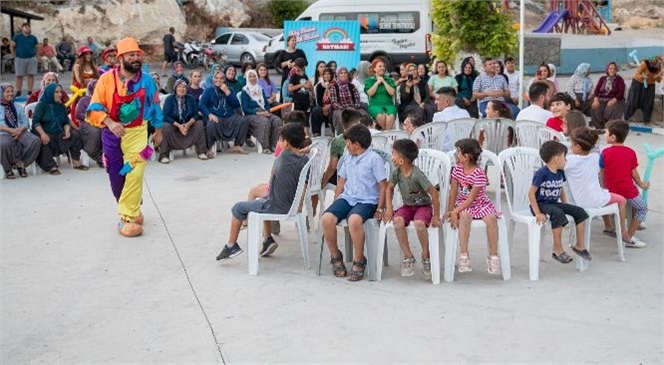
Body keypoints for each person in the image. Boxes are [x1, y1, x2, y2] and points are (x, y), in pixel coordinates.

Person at [86, 37, 164, 237]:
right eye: (132, 55)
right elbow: (93, 108)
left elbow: (155, 104)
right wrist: (110, 123)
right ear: (120, 58)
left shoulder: (146, 80)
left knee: (136, 172)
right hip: (112, 135)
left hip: (139, 132)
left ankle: (126, 218)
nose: (136, 58)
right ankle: (132, 208)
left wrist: (158, 129)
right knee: (117, 175)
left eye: (138, 54)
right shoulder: (106, 80)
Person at [216, 122, 309, 261]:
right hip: (292, 204)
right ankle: (268, 239)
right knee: (260, 200)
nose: (278, 142)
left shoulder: (281, 159)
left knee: (238, 208)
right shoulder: (304, 159)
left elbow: (271, 184)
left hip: (277, 206)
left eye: (280, 139)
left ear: (286, 143)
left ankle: (231, 245)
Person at [321, 124, 388, 282]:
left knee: (354, 220)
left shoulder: (374, 159)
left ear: (357, 145)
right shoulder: (348, 158)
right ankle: (336, 255)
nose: (347, 145)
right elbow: (341, 181)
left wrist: (380, 207)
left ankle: (359, 259)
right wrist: (336, 201)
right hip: (348, 197)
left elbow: (383, 185)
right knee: (327, 218)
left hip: (368, 200)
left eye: (348, 142)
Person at [384, 139, 440, 279]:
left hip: (423, 206)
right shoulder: (397, 173)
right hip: (408, 207)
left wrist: (436, 215)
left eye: (394, 154)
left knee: (420, 224)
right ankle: (408, 256)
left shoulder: (417, 174)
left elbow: (433, 192)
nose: (392, 157)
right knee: (397, 221)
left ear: (402, 160)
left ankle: (426, 255)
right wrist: (389, 208)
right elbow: (389, 187)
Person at [565, 127, 632, 244]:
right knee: (621, 200)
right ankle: (623, 231)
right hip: (594, 199)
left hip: (579, 201)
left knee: (604, 193)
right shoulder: (595, 157)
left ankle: (612, 227)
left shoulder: (569, 160)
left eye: (572, 144)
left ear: (577, 147)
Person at [528, 140, 591, 264]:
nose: (566, 160)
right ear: (557, 159)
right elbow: (531, 193)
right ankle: (557, 250)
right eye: (564, 157)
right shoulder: (542, 173)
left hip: (552, 204)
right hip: (540, 204)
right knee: (557, 213)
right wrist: (537, 213)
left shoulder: (560, 173)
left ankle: (580, 245)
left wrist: (565, 204)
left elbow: (560, 188)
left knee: (580, 212)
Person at [446, 138, 502, 274]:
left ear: (466, 157)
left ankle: (493, 255)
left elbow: (472, 199)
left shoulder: (479, 174)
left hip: (480, 203)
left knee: (492, 219)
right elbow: (453, 191)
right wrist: (451, 210)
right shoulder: (457, 170)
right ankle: (464, 255)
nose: (456, 156)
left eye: (458, 153)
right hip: (462, 203)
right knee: (464, 216)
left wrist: (455, 211)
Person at [599, 120, 649, 247]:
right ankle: (629, 236)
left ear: (613, 137)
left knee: (618, 207)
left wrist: (603, 187)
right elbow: (634, 174)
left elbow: (602, 173)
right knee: (642, 208)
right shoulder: (630, 152)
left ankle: (617, 225)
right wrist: (642, 184)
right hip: (628, 191)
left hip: (611, 192)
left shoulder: (605, 153)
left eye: (606, 132)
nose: (604, 134)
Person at [32, 83, 88, 175]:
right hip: (45, 132)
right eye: (56, 92)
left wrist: (67, 131)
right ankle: (51, 166)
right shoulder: (41, 105)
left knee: (75, 136)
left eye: (60, 92)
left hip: (59, 133)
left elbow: (66, 121)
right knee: (44, 141)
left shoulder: (61, 106)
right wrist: (42, 134)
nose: (59, 94)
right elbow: (36, 122)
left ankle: (75, 161)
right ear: (50, 93)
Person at [198, 70, 250, 156]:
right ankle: (209, 148)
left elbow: (236, 104)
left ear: (224, 80)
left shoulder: (229, 90)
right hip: (216, 118)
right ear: (213, 80)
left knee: (243, 120)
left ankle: (237, 145)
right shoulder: (209, 90)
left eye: (221, 78)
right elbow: (201, 105)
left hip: (229, 117)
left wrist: (227, 92)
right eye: (217, 78)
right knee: (210, 124)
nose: (219, 80)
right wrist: (209, 114)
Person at [159, 79, 208, 163]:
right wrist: (179, 126)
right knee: (165, 126)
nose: (182, 89)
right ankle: (164, 155)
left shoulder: (190, 98)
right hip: (174, 127)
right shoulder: (170, 99)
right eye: (180, 87)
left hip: (187, 127)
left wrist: (188, 124)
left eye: (184, 87)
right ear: (175, 88)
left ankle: (201, 152)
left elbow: (196, 115)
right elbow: (165, 116)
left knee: (199, 124)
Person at [0, 83, 41, 179]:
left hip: (19, 130)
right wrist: (9, 130)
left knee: (35, 141)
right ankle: (7, 168)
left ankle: (21, 164)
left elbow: (25, 121)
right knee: (4, 144)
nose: (10, 94)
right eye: (7, 92)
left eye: (11, 91)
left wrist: (20, 130)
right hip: (3, 132)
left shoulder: (17, 106)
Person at [241, 70, 282, 154]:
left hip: (263, 112)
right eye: (250, 76)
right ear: (247, 78)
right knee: (265, 122)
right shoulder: (245, 91)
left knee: (277, 120)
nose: (252, 78)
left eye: (254, 76)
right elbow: (245, 109)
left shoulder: (260, 89)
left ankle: (273, 145)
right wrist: (259, 113)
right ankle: (265, 146)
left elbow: (266, 104)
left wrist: (266, 111)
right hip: (251, 114)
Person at [321, 109, 363, 189]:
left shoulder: (337, 141)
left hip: (343, 178)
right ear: (356, 124)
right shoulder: (364, 138)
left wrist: (322, 184)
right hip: (362, 177)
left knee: (321, 177)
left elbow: (332, 167)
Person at [74, 79, 104, 167]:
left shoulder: (105, 99)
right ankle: (99, 157)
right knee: (95, 132)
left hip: (102, 122)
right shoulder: (84, 100)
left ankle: (108, 156)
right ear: (91, 89)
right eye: (96, 87)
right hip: (87, 124)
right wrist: (92, 118)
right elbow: (79, 114)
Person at [624, 56, 662, 125]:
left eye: (657, 64)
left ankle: (647, 121)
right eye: (654, 64)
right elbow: (637, 74)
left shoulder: (659, 67)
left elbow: (659, 80)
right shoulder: (644, 63)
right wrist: (643, 76)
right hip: (638, 83)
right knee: (633, 101)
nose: (656, 65)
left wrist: (658, 77)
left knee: (648, 103)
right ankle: (625, 119)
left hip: (650, 85)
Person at [432, 87, 471, 152]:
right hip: (464, 152)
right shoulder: (465, 112)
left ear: (447, 102)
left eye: (437, 99)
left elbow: (434, 139)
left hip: (445, 154)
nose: (435, 102)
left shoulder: (438, 116)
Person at [328, 67, 363, 135]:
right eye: (341, 73)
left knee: (363, 115)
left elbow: (357, 99)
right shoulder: (334, 87)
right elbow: (334, 102)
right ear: (338, 75)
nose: (343, 75)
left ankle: (359, 136)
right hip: (339, 109)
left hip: (352, 108)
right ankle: (342, 136)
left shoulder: (352, 86)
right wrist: (345, 108)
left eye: (345, 73)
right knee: (340, 116)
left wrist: (354, 107)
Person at [591, 62, 626, 130]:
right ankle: (599, 128)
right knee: (595, 107)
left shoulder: (619, 79)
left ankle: (609, 127)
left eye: (614, 69)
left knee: (610, 109)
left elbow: (621, 92)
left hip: (616, 99)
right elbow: (596, 90)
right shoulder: (602, 79)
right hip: (602, 99)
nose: (612, 70)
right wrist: (595, 100)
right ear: (607, 69)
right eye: (610, 68)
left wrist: (613, 100)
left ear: (616, 70)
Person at [365, 59, 397, 130]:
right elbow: (370, 93)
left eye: (383, 66)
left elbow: (392, 92)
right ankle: (388, 134)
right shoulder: (369, 80)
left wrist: (384, 81)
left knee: (391, 116)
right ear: (374, 69)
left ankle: (385, 134)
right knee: (380, 115)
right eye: (380, 66)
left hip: (389, 105)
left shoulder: (390, 80)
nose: (382, 68)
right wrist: (377, 83)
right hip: (375, 105)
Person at [11, 23, 39, 97]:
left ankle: (30, 91)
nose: (27, 28)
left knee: (31, 75)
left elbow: (37, 47)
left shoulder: (33, 37)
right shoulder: (17, 36)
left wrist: (36, 56)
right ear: (22, 28)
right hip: (20, 58)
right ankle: (18, 91)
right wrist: (14, 56)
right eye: (26, 27)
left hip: (31, 58)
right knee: (19, 76)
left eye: (29, 27)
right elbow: (12, 46)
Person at [276, 35, 307, 100]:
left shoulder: (300, 52)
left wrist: (296, 64)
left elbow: (306, 63)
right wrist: (286, 63)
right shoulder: (283, 52)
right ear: (288, 42)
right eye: (293, 40)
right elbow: (278, 64)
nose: (294, 42)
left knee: (299, 93)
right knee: (285, 94)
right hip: (287, 77)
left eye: (295, 41)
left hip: (298, 76)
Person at [310, 67, 333, 137]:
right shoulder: (319, 86)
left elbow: (336, 99)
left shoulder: (335, 85)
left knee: (334, 112)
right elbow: (319, 100)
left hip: (332, 106)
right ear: (323, 76)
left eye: (328, 74)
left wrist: (329, 107)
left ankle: (333, 130)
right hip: (322, 107)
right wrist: (324, 108)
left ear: (331, 75)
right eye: (325, 74)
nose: (326, 76)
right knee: (315, 110)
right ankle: (316, 133)